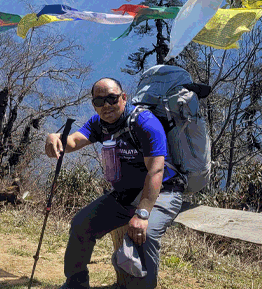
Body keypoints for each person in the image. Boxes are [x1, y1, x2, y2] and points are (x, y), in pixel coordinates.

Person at [45, 77, 184, 289]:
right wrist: (55, 139)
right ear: (94, 105)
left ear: (124, 98)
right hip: (127, 194)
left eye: (112, 99)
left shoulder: (144, 123)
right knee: (81, 225)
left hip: (162, 191)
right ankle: (76, 284)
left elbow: (156, 171)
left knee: (144, 235)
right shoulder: (99, 124)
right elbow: (73, 141)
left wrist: (142, 214)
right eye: (99, 102)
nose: (106, 106)